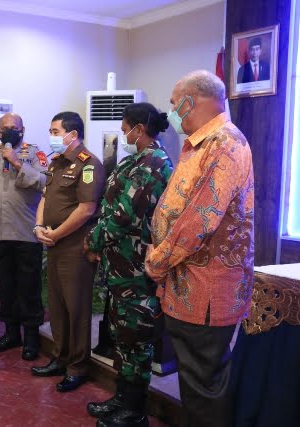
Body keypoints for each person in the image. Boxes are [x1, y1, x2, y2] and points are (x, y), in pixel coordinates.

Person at [145, 70, 254, 427]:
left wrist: (157, 261)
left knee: (203, 385)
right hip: (185, 285)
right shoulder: (199, 144)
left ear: (192, 101)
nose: (171, 112)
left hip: (205, 290)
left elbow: (199, 221)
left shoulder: (224, 143)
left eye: (174, 104)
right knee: (195, 382)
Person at [84, 103, 173, 427]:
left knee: (136, 339)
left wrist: (92, 240)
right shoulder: (134, 160)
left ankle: (135, 411)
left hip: (136, 268)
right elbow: (111, 207)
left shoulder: (154, 163)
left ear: (140, 128)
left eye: (125, 129)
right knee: (122, 336)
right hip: (120, 266)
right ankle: (121, 399)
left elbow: (125, 216)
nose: (124, 135)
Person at [30, 112, 105, 392]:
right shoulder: (57, 162)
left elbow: (86, 209)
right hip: (54, 244)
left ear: (72, 135)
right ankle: (60, 359)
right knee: (58, 307)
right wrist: (39, 227)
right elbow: (45, 198)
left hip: (75, 247)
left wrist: (56, 234)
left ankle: (78, 367)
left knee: (76, 309)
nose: (51, 136)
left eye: (55, 131)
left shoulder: (89, 164)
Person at [0, 112, 48, 361]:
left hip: (27, 233)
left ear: (22, 130)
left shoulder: (35, 154)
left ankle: (31, 338)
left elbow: (45, 183)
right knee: (5, 288)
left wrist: (17, 163)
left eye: (14, 127)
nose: (9, 131)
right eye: (5, 127)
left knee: (28, 288)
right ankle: (11, 333)